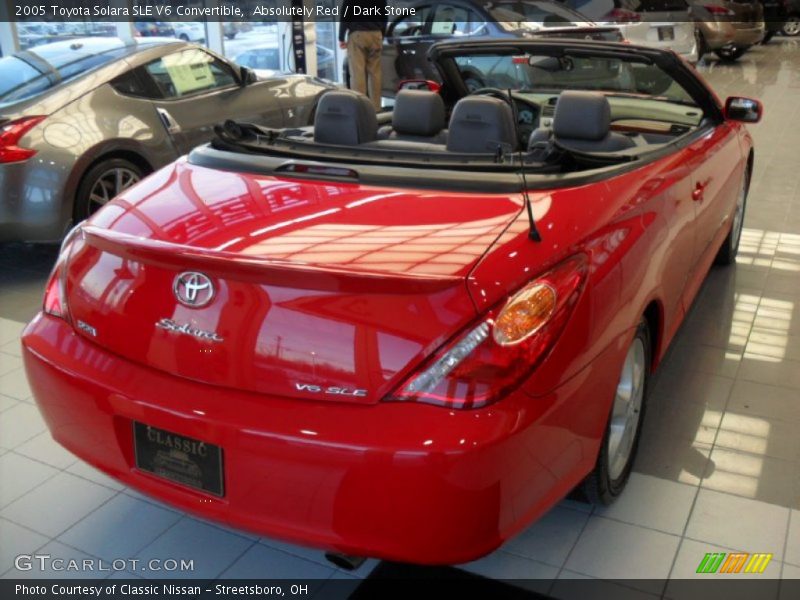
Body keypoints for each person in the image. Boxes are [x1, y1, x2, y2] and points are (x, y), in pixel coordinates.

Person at [339, 0, 387, 110]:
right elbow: (384, 17)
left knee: (357, 73)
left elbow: (345, 15)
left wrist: (341, 37)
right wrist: (381, 35)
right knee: (375, 73)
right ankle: (376, 108)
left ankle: (361, 108)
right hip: (376, 34)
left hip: (358, 34)